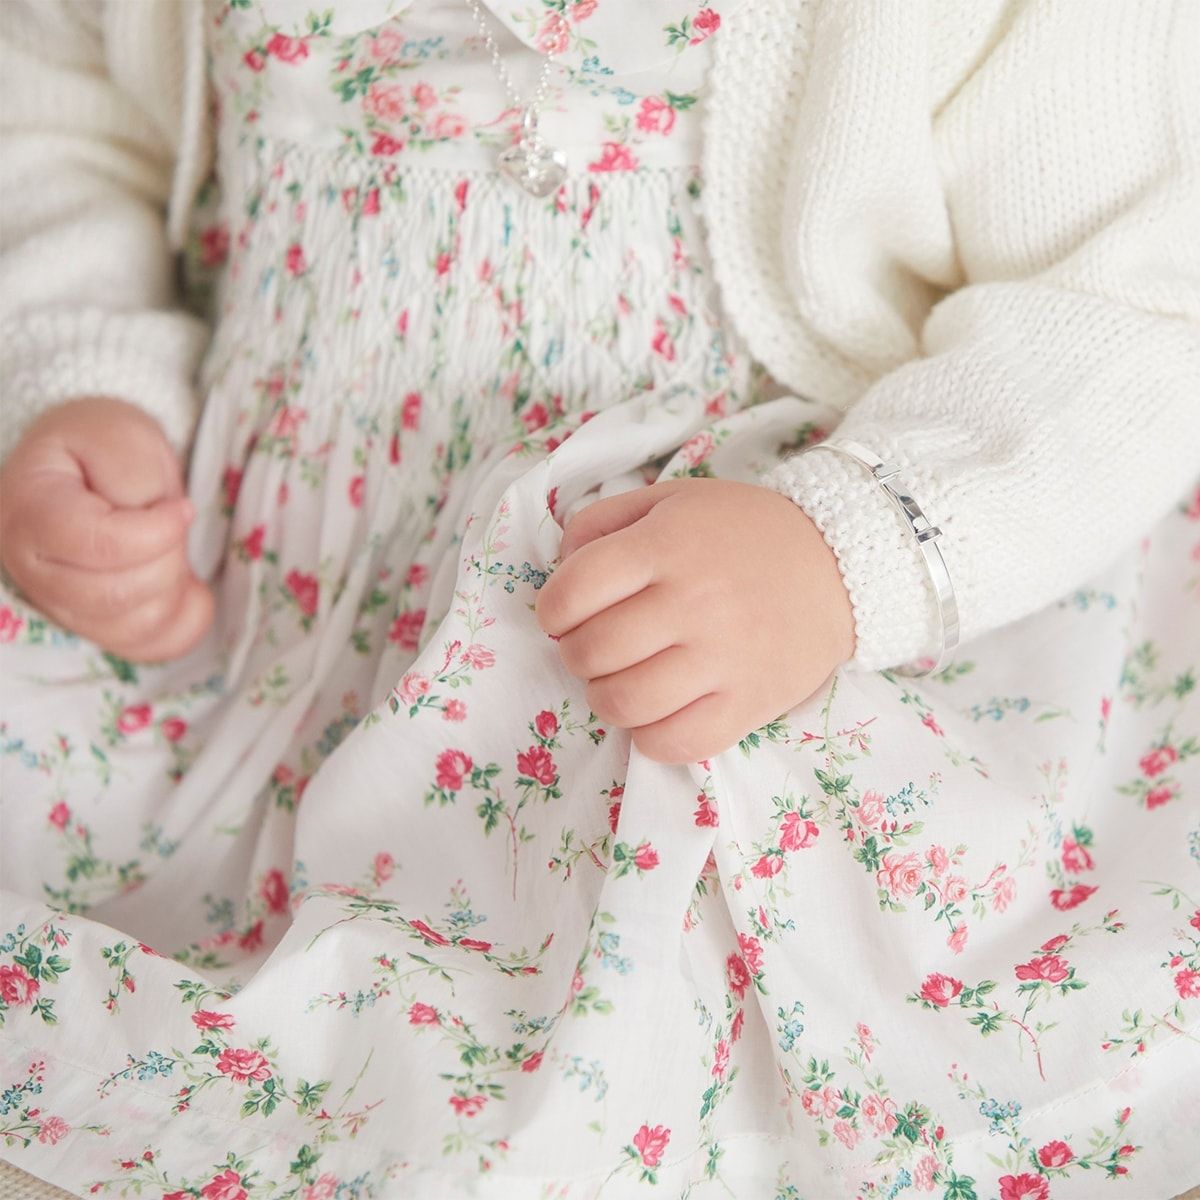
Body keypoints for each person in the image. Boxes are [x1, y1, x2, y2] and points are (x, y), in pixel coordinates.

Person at [1, 0, 1197, 1196]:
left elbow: (1124, 297)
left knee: (638, 1055)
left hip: (740, 602)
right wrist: (82, 372)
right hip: (253, 599)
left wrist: (844, 554)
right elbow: (63, 112)